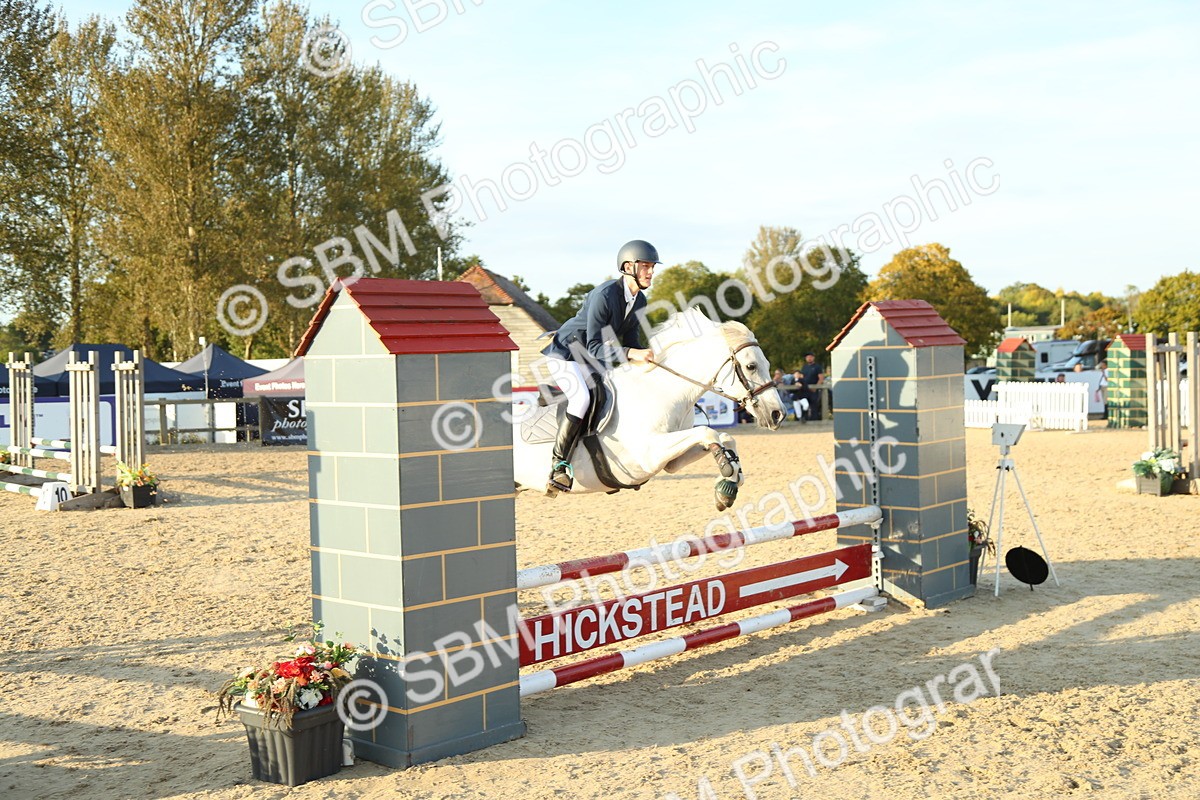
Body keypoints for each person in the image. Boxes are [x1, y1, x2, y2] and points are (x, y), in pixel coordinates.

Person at [539, 239, 659, 493]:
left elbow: (632, 340)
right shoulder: (604, 295)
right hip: (566, 354)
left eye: (652, 267)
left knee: (616, 393)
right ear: (629, 267)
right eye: (646, 266)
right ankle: (558, 466)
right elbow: (594, 345)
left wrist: (645, 358)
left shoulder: (639, 301)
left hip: (591, 359)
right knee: (581, 398)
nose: (651, 272)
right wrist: (631, 353)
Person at [799, 352, 825, 421]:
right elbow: (801, 377)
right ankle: (805, 419)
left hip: (814, 390)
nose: (809, 358)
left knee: (814, 406)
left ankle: (814, 421)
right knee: (805, 405)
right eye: (807, 357)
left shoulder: (817, 367)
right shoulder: (804, 367)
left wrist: (815, 387)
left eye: (810, 357)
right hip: (805, 389)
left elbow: (821, 378)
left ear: (813, 357)